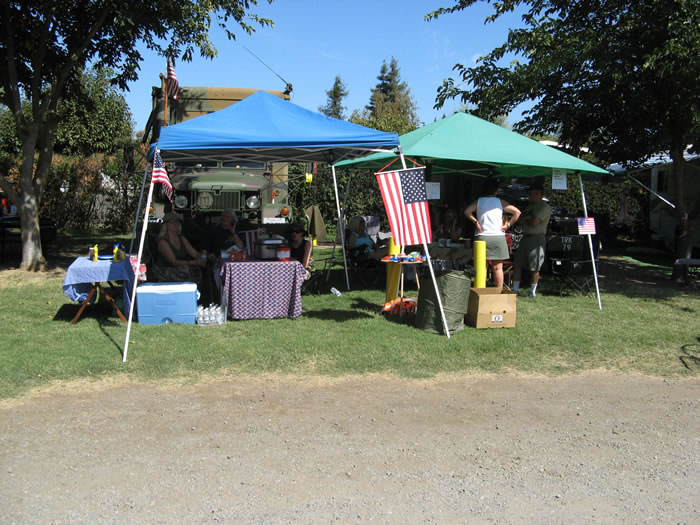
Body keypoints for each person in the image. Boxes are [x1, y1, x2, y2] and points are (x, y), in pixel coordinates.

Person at [464, 178, 521, 289]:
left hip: (482, 236)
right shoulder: (501, 202)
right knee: (498, 268)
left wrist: (476, 222)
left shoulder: (479, 201)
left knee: (481, 267)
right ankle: (498, 292)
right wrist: (508, 225)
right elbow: (517, 212)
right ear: (496, 190)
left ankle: (480, 291)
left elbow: (467, 211)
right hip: (498, 237)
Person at [512, 182, 552, 298]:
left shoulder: (544, 207)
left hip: (536, 239)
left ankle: (532, 292)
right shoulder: (530, 206)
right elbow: (520, 220)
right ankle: (515, 290)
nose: (529, 196)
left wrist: (527, 218)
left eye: (531, 194)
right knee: (517, 264)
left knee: (535, 267)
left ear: (539, 194)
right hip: (525, 237)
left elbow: (534, 223)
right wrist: (528, 218)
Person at [151, 212, 207, 284]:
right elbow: (173, 261)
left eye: (177, 222)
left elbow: (194, 253)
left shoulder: (182, 238)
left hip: (182, 267)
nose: (175, 224)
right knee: (187, 271)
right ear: (166, 225)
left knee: (196, 270)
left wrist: (203, 256)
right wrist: (195, 262)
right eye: (172, 222)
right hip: (166, 270)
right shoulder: (163, 242)